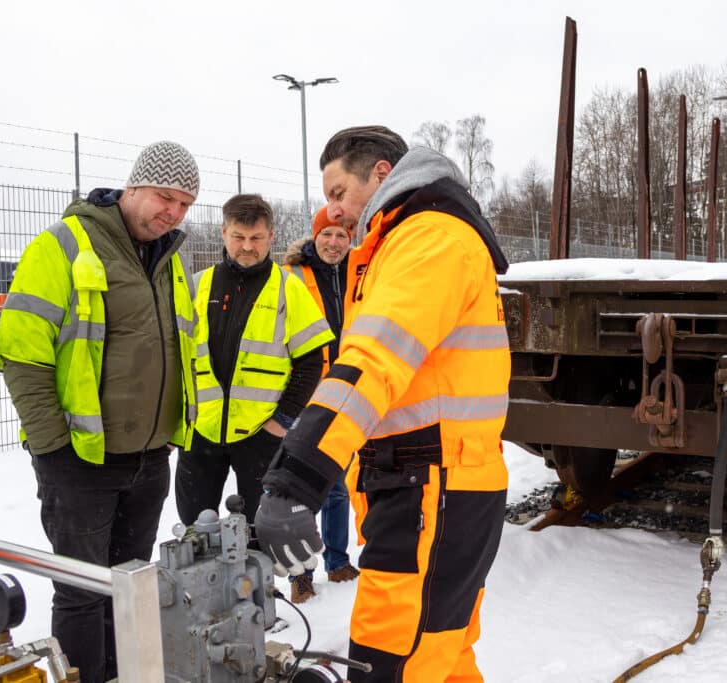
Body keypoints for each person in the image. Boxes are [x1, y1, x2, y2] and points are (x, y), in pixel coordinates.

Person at [255, 126, 511, 682]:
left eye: (338, 193)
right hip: (428, 485)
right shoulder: (399, 243)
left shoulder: (427, 240)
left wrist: (294, 479)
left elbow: (371, 362)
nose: (333, 211)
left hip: (431, 487)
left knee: (390, 662)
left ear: (379, 174)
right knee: (440, 661)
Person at [0, 140, 201, 683]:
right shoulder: (61, 246)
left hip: (150, 458)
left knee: (129, 587)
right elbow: (21, 353)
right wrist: (53, 449)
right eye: (165, 197)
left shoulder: (169, 260)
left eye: (185, 204)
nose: (173, 213)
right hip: (80, 460)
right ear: (133, 186)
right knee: (83, 591)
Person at [175, 194, 334, 534]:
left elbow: (311, 363)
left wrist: (281, 423)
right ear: (223, 233)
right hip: (201, 434)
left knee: (259, 534)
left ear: (271, 236)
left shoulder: (288, 289)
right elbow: (175, 356)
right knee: (194, 534)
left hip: (261, 436)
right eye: (238, 237)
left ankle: (256, 589)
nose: (247, 247)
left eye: (256, 238)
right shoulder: (196, 286)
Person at [282, 206, 361, 603]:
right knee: (301, 487)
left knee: (338, 486)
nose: (334, 243)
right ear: (315, 237)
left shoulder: (357, 275)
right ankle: (301, 573)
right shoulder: (293, 275)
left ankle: (338, 561)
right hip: (305, 393)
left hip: (345, 391)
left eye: (342, 236)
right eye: (327, 234)